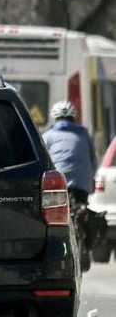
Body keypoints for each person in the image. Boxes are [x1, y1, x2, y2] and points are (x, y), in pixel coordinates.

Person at [42, 100, 97, 270]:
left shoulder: (48, 136)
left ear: (55, 117)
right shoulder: (84, 134)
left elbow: (44, 162)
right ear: (73, 117)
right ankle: (85, 244)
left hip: (58, 183)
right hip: (81, 182)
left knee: (53, 217)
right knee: (82, 209)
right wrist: (90, 179)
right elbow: (93, 161)